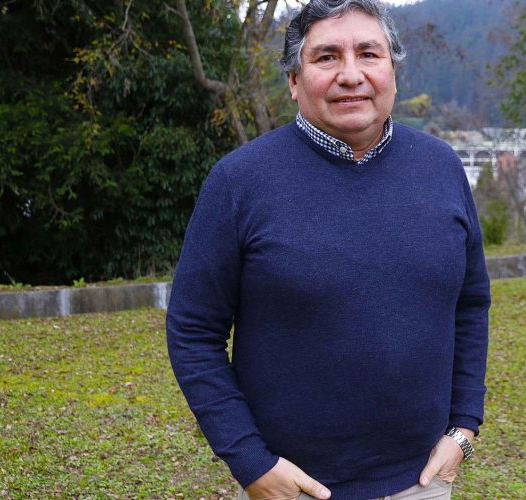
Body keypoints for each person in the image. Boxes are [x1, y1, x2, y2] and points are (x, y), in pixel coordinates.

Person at [165, 1, 490, 498]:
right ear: (295, 80)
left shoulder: (441, 168)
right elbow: (192, 329)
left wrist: (463, 426)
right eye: (327, 57)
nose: (351, 75)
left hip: (423, 480)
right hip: (292, 486)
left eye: (368, 54)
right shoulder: (239, 182)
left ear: (393, 72)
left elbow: (470, 303)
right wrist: (251, 462)